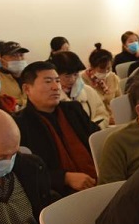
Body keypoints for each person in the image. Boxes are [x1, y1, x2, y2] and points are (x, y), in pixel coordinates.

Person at [14, 61, 98, 196]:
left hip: (98, 176)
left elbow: (97, 138)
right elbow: (25, 171)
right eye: (48, 82)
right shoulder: (19, 124)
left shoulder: (73, 109)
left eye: (57, 81)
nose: (56, 87)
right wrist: (64, 178)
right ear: (27, 89)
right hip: (58, 194)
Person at [50, 51, 111, 129]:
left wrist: (94, 128)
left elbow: (102, 114)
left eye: (75, 74)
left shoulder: (88, 91)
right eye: (67, 76)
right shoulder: (51, 96)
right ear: (56, 75)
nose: (72, 79)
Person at [82, 43, 122, 116]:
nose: (106, 71)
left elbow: (119, 101)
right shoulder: (83, 81)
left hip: (114, 116)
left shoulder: (113, 78)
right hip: (96, 117)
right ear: (92, 67)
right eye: (102, 68)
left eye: (109, 68)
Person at [0, 41, 29, 106]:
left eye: (21, 55)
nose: (19, 59)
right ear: (2, 61)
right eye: (13, 56)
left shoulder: (30, 76)